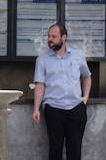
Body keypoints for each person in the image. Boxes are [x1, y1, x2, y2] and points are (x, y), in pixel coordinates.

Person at [32, 22, 90, 160]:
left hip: (76, 108)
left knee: (75, 150)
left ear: (64, 37)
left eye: (54, 36)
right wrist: (36, 109)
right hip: (53, 109)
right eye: (49, 36)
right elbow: (40, 85)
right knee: (55, 149)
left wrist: (85, 97)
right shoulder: (42, 60)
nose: (49, 39)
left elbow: (87, 76)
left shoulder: (78, 55)